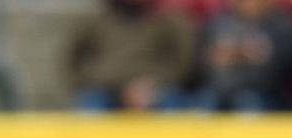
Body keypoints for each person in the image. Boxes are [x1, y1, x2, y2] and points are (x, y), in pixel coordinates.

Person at [67, 0, 196, 111]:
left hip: (155, 89)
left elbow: (181, 62)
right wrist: (115, 86)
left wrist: (153, 84)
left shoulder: (169, 21)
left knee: (175, 108)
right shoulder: (95, 21)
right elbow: (74, 60)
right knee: (91, 108)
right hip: (106, 90)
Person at [196, 0, 292, 111]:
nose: (249, 4)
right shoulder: (218, 23)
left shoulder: (279, 25)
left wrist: (260, 55)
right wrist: (217, 56)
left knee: (248, 105)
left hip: (259, 92)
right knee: (202, 105)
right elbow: (203, 59)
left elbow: (288, 64)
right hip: (217, 89)